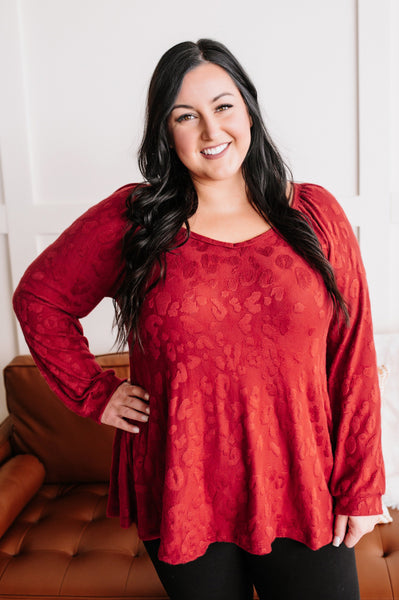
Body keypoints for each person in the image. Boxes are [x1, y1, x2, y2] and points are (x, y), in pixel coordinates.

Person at [13, 39, 385, 600]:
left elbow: (351, 358)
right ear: (166, 132)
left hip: (305, 487)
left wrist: (361, 489)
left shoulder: (315, 214)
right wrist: (96, 393)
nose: (212, 131)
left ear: (250, 110)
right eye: (186, 116)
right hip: (184, 490)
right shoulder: (134, 221)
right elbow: (39, 298)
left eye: (224, 106)